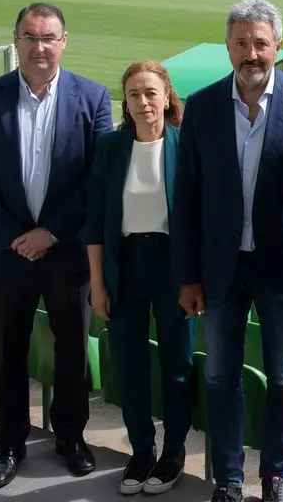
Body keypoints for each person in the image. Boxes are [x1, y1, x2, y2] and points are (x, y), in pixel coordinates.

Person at [171, 0, 283, 502]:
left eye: (261, 43)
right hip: (220, 268)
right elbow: (186, 196)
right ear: (227, 47)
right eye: (241, 43)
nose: (251, 53)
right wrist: (187, 275)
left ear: (278, 46)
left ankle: (276, 474)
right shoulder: (202, 106)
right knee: (221, 375)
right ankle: (228, 479)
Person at [0, 2, 112, 490]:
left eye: (48, 37)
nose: (39, 47)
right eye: (30, 37)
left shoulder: (93, 97)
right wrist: (12, 236)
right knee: (9, 350)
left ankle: (71, 437)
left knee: (71, 350)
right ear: (16, 40)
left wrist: (52, 233)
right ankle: (9, 443)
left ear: (64, 41)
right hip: (7, 253)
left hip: (66, 253)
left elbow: (98, 176)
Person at [85, 61, 193, 496]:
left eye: (151, 92)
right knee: (130, 365)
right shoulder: (110, 148)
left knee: (177, 364)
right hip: (125, 265)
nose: (143, 101)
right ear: (125, 103)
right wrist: (98, 284)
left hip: (174, 267)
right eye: (134, 94)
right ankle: (142, 450)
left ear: (167, 97)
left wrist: (194, 279)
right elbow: (95, 221)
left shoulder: (186, 144)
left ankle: (174, 451)